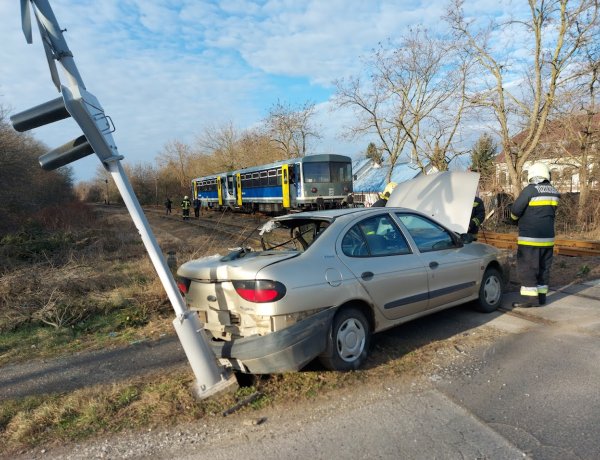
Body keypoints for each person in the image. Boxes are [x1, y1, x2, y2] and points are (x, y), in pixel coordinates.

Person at [508, 163, 560, 308]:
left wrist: (512, 219)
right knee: (544, 267)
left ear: (532, 174)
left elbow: (516, 209)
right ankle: (542, 297)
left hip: (530, 238)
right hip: (548, 239)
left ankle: (531, 300)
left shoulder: (530, 190)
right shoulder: (554, 191)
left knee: (527, 268)